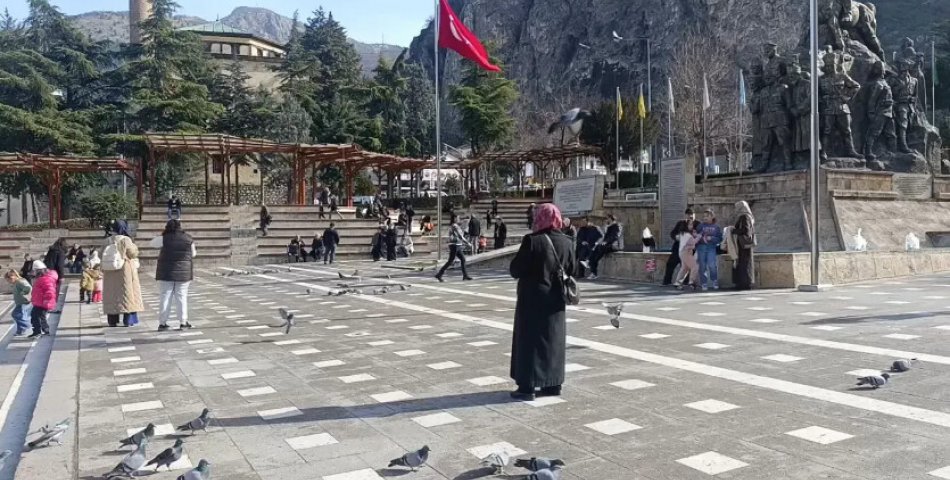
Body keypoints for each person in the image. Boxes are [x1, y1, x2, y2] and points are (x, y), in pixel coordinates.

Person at [509, 203, 576, 401]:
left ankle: (527, 387)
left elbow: (516, 270)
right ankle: (553, 384)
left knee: (529, 341)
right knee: (553, 340)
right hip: (556, 300)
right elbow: (573, 269)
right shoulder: (567, 241)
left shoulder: (532, 241)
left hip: (532, 299)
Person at [151, 220, 196, 331]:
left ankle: (162, 323)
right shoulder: (188, 238)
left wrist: (163, 234)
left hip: (166, 272)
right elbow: (193, 254)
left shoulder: (163, 238)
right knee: (181, 297)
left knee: (165, 297)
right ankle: (183, 322)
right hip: (183, 273)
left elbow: (151, 243)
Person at [102, 231, 144, 327]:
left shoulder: (107, 241)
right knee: (127, 294)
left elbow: (101, 254)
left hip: (110, 271)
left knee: (111, 295)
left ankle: (112, 321)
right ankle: (128, 320)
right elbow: (132, 253)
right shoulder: (126, 240)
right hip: (125, 270)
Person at [581, 215, 622, 280]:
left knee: (598, 252)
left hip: (614, 245)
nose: (606, 220)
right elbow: (605, 237)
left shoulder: (617, 226)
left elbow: (615, 236)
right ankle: (591, 268)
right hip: (607, 245)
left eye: (607, 219)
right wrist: (602, 242)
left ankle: (590, 265)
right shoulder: (609, 227)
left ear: (611, 219)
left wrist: (606, 241)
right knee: (595, 250)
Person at [664, 209, 698, 285]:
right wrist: (676, 237)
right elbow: (672, 233)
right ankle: (667, 281)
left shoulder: (698, 224)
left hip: (690, 249)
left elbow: (698, 236)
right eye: (688, 214)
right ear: (685, 215)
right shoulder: (680, 223)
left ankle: (686, 282)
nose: (690, 216)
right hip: (678, 247)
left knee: (687, 266)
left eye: (692, 214)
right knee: (671, 263)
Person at [435, 215, 473, 282]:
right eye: (458, 218)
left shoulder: (456, 226)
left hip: (457, 245)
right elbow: (460, 236)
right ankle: (439, 274)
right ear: (455, 219)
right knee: (450, 261)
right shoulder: (454, 226)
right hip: (454, 245)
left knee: (462, 259)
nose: (459, 219)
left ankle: (465, 275)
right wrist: (468, 243)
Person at [696, 209, 724, 290]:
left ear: (712, 217)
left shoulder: (716, 227)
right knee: (702, 266)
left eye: (707, 216)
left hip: (711, 248)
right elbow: (695, 236)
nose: (705, 218)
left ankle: (714, 280)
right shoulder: (700, 226)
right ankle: (703, 283)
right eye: (704, 216)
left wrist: (711, 238)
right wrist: (701, 238)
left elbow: (719, 238)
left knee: (712, 265)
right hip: (701, 248)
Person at [29, 260, 57, 338]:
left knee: (37, 316)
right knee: (39, 316)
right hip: (39, 301)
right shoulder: (41, 278)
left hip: (42, 302)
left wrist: (47, 300)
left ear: (39, 271)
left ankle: (38, 331)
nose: (33, 272)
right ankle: (44, 330)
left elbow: (50, 291)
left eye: (34, 271)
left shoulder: (45, 279)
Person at [732, 201, 756, 290]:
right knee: (745, 263)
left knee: (744, 264)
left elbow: (746, 231)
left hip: (744, 245)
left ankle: (745, 283)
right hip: (746, 245)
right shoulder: (749, 216)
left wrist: (734, 231)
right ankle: (745, 283)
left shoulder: (744, 217)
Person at [674, 222, 700, 290]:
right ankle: (691, 282)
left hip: (682, 252)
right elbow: (694, 242)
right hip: (686, 253)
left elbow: (678, 238)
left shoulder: (683, 234)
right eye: (690, 224)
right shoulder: (688, 235)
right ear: (686, 226)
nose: (692, 226)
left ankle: (678, 282)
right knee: (695, 266)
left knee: (684, 268)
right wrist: (698, 236)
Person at [5, 270, 31, 336]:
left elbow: (28, 288)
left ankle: (26, 325)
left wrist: (22, 293)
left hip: (23, 302)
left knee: (15, 314)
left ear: (12, 277)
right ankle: (20, 331)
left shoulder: (20, 281)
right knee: (20, 316)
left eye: (8, 280)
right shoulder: (17, 282)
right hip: (20, 302)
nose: (8, 282)